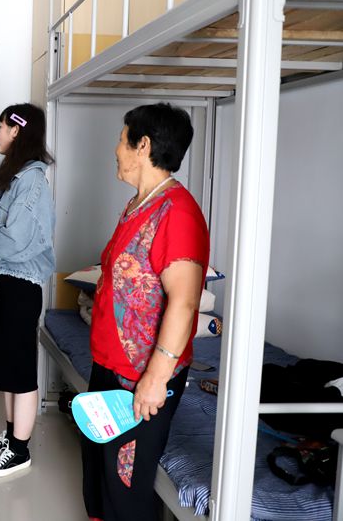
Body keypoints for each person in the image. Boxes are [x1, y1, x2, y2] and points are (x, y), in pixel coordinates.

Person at [81, 103, 209, 521]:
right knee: (99, 476)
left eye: (122, 140)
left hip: (141, 378)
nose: (115, 149)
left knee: (126, 485)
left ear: (143, 146)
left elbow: (184, 302)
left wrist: (156, 378)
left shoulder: (178, 213)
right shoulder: (139, 204)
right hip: (109, 365)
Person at [0, 103, 55, 478]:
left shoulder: (32, 182)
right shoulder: (17, 177)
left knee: (19, 370)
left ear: (17, 131)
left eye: (2, 127)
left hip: (20, 287)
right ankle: (10, 435)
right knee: (6, 366)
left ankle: (20, 450)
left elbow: (18, 240)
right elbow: (14, 225)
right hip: (4, 281)